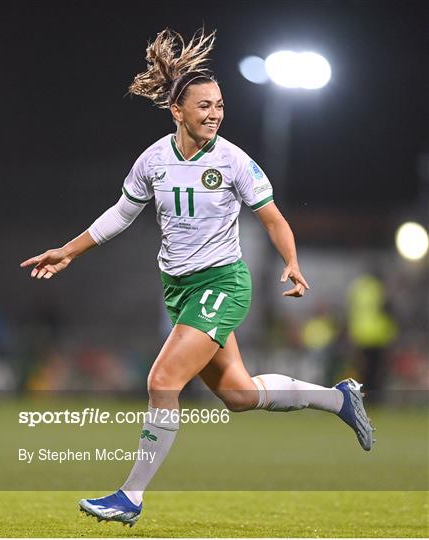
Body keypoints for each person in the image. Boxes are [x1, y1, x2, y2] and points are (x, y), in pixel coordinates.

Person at [20, 28, 375, 528]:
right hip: (181, 290)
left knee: (162, 380)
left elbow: (272, 218)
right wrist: (69, 252)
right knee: (239, 395)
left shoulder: (234, 161)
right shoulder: (154, 159)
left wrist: (293, 263)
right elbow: (121, 214)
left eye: (220, 105)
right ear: (177, 111)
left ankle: (130, 496)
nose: (214, 114)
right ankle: (339, 398)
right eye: (204, 105)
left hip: (223, 283)